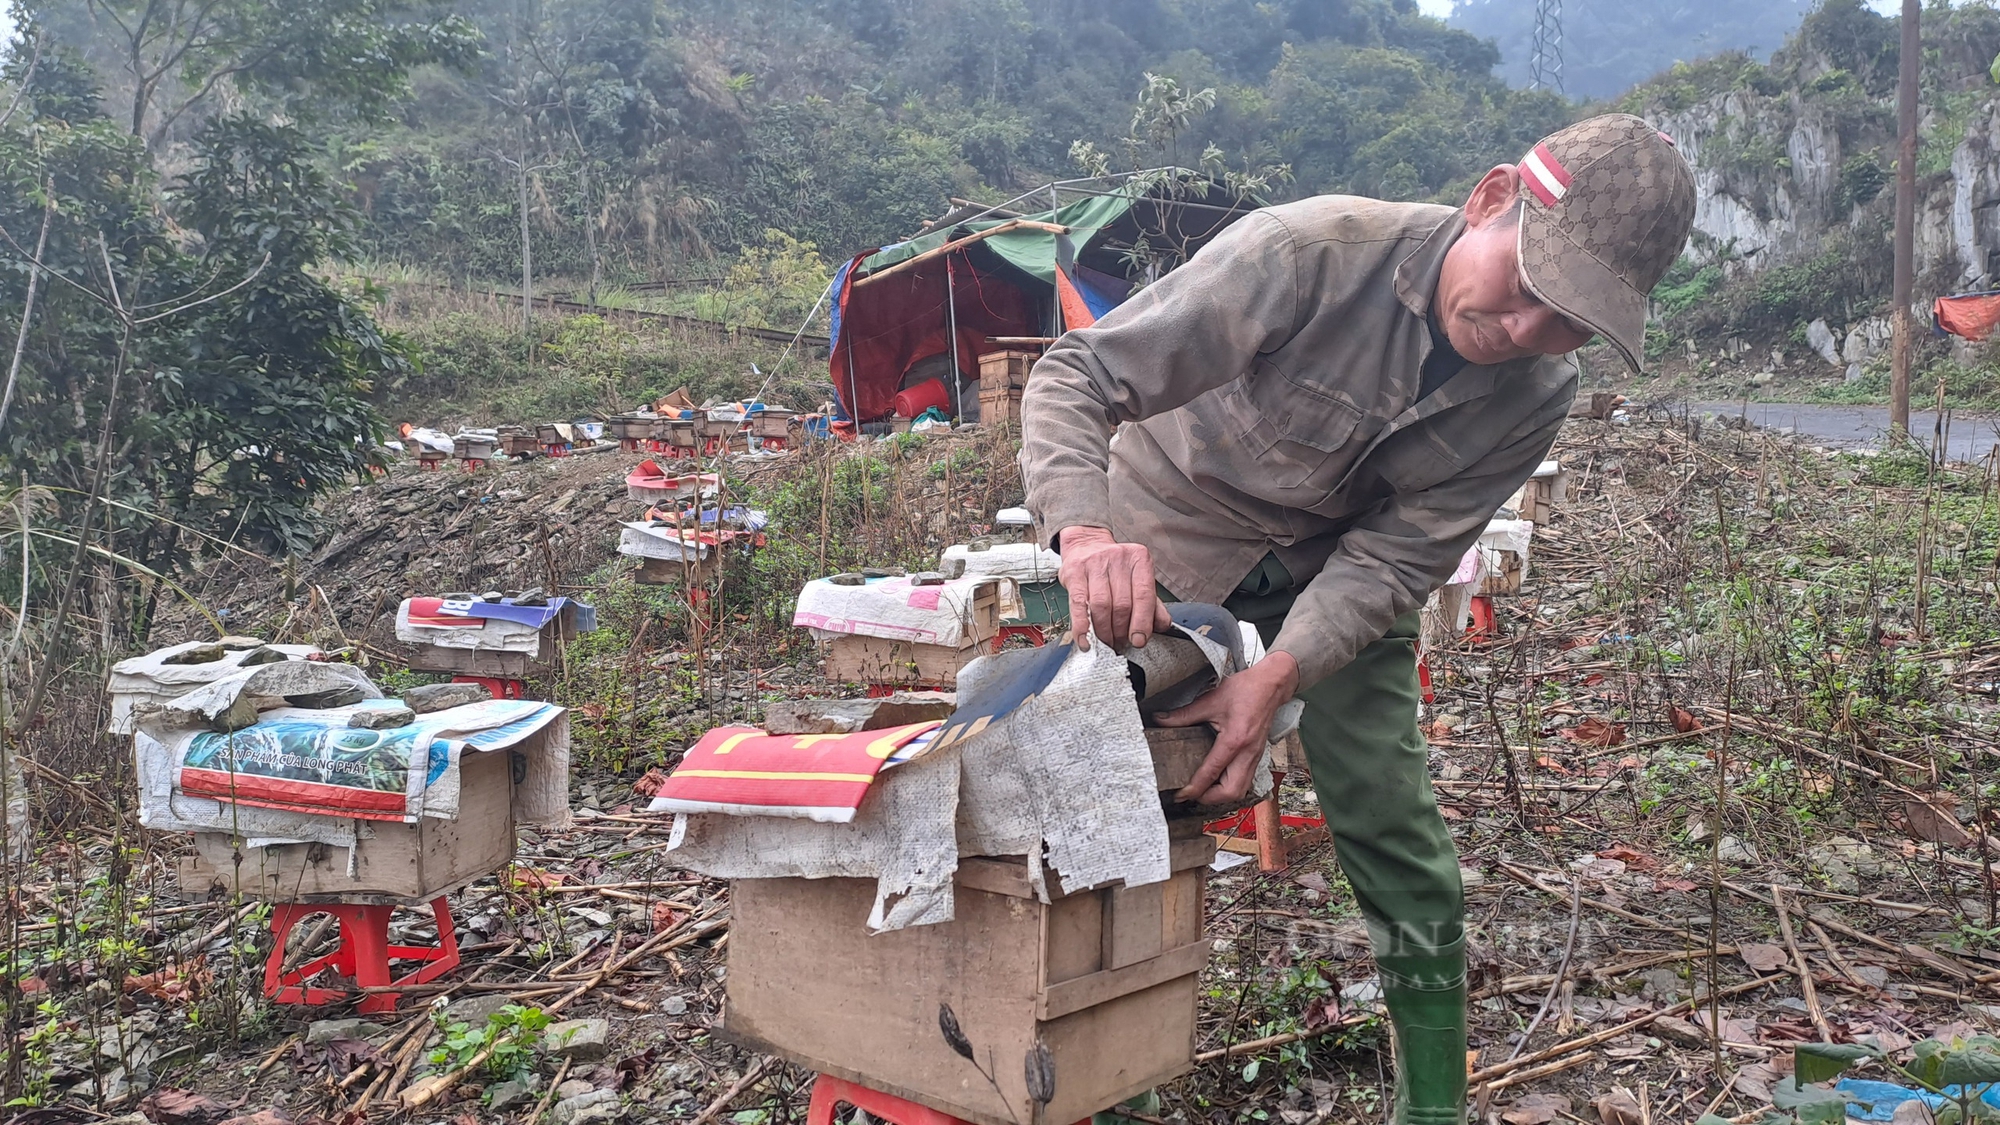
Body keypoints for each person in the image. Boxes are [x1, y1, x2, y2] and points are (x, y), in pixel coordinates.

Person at [1019, 114, 1696, 1125]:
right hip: (1168, 541)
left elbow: (1393, 557)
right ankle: (1069, 1075)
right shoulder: (1307, 254)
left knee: (1389, 820)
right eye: (1522, 289)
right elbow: (1078, 376)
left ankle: (1432, 1103)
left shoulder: (1533, 396)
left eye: (1564, 320)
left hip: (1333, 577)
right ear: (1487, 199)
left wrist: (1280, 674)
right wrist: (1081, 534)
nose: (1522, 332)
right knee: (1099, 795)